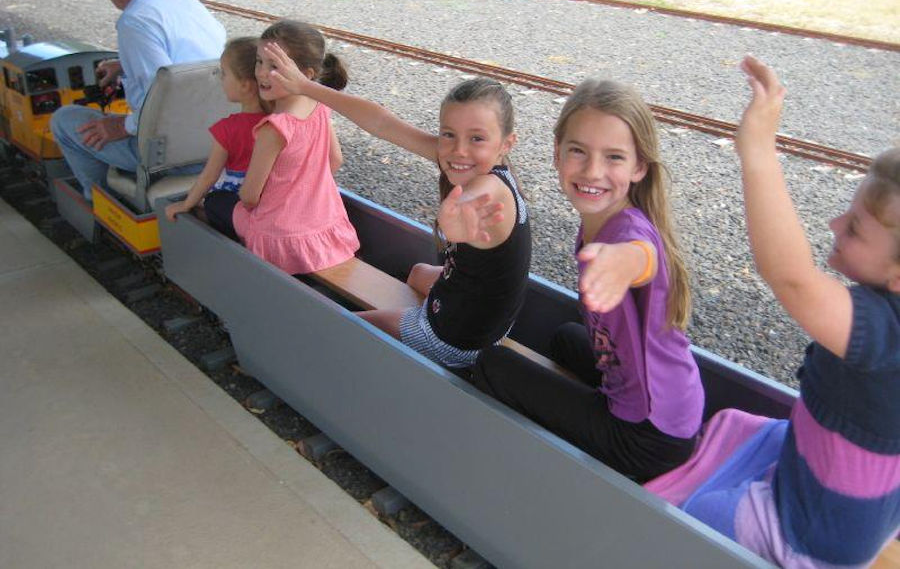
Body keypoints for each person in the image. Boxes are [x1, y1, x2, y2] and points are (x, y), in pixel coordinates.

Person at [646, 58, 900, 568]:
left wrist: (758, 150)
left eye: (853, 228)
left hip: (817, 531)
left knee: (701, 514)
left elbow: (792, 278)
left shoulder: (884, 329)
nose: (833, 223)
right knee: (745, 428)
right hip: (837, 483)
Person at [472, 79, 703, 484]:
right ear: (557, 153)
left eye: (613, 157)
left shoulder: (630, 235)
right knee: (565, 336)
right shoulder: (601, 220)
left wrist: (620, 263)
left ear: (639, 167)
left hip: (647, 437)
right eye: (578, 151)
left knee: (491, 364)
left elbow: (641, 256)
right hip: (674, 404)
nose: (593, 171)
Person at [265, 46, 530, 370]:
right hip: (490, 318)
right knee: (418, 272)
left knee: (341, 325)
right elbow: (382, 122)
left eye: (477, 138)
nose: (459, 150)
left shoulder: (488, 190)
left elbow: (475, 198)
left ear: (507, 143)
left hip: (454, 340)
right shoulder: (477, 163)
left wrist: (456, 222)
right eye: (448, 134)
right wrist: (305, 87)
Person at [50, 0, 226, 200]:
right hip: (215, 142)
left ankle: (101, 202)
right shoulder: (186, 3)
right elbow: (191, 67)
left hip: (172, 155)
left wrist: (121, 126)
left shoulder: (134, 22)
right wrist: (124, 64)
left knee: (63, 120)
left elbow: (162, 99)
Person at [230, 20, 358, 275]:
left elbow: (250, 196)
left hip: (280, 237)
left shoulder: (274, 129)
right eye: (259, 62)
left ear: (307, 75)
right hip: (325, 225)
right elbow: (335, 161)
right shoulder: (321, 106)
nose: (262, 73)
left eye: (275, 66)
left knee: (216, 203)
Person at [163, 37, 265, 238]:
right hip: (266, 199)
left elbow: (209, 176)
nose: (221, 79)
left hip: (234, 201)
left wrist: (186, 203)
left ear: (245, 85)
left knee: (206, 203)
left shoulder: (227, 129)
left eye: (224, 74)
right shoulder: (278, 121)